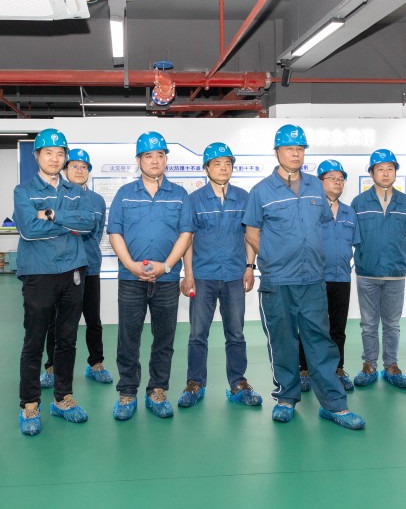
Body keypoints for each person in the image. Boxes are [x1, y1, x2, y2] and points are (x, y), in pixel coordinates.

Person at [243, 124, 365, 430]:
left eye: (300, 148)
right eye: (289, 148)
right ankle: (286, 398)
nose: (295, 153)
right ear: (277, 152)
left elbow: (320, 223)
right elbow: (252, 232)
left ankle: (334, 406)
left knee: (320, 342)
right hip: (278, 281)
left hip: (312, 279)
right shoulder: (261, 191)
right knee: (282, 342)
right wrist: (271, 257)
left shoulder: (315, 187)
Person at [14, 128, 96, 435]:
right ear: (37, 156)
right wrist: (66, 222)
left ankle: (63, 398)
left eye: (60, 153)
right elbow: (28, 229)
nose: (54, 158)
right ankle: (29, 404)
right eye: (48, 152)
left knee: (67, 339)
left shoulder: (75, 190)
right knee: (34, 340)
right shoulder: (23, 190)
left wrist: (49, 214)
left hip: (73, 271)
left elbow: (88, 223)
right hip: (39, 274)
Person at [107, 131, 193, 420]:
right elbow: (115, 232)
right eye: (148, 156)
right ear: (138, 160)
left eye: (160, 155)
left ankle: (157, 389)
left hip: (167, 280)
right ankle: (127, 392)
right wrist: (130, 265)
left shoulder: (179, 195)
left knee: (164, 338)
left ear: (166, 159)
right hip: (130, 279)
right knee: (128, 337)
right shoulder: (125, 194)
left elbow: (185, 234)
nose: (155, 160)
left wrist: (167, 266)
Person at [177, 142, 262, 408]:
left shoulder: (244, 197)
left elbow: (250, 235)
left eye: (228, 163)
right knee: (197, 334)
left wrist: (249, 267)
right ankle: (195, 383)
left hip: (235, 275)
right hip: (203, 276)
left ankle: (238, 383)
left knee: (236, 333)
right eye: (217, 164)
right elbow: (188, 240)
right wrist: (188, 274)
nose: (223, 168)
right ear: (206, 168)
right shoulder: (194, 200)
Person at [39, 149, 112, 388]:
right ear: (65, 170)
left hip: (89, 267)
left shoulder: (98, 201)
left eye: (84, 167)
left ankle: (96, 363)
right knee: (56, 321)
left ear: (89, 171)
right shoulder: (57, 197)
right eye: (74, 166)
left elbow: (96, 232)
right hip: (62, 268)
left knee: (93, 318)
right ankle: (52, 367)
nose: (79, 170)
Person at [351, 149, 406, 390]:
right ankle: (369, 365)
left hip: (395, 273)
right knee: (368, 323)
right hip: (367, 272)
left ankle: (391, 366)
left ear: (395, 172)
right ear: (371, 173)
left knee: (392, 324)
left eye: (390, 169)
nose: (385, 173)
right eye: (380, 169)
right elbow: (355, 235)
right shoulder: (359, 203)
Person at [298, 159, 359, 393]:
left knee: (337, 328)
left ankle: (338, 369)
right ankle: (304, 369)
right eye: (332, 178)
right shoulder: (309, 209)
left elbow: (355, 243)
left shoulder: (349, 212)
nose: (337, 182)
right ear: (319, 181)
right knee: (310, 326)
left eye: (341, 179)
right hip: (314, 278)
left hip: (341, 278)